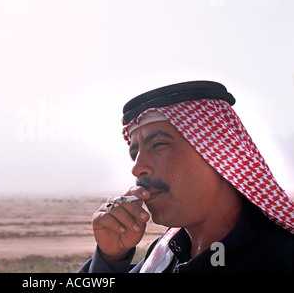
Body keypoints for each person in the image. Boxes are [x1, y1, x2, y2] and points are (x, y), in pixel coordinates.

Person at [79, 81, 294, 273]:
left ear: (220, 154)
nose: (137, 168)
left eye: (159, 145)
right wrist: (110, 258)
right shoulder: (166, 251)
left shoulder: (280, 259)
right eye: (135, 154)